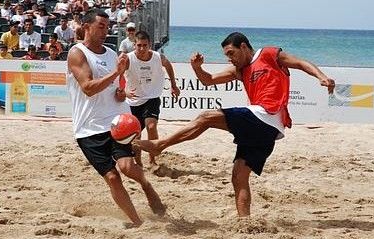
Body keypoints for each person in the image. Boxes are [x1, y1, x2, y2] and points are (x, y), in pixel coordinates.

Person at [136, 32, 336, 217]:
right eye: (226, 55)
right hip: (265, 133)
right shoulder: (239, 70)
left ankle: (160, 145)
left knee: (206, 117)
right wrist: (197, 68)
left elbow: (300, 63)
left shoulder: (268, 54)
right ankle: (245, 223)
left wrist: (321, 77)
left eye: (231, 53)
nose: (229, 58)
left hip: (265, 116)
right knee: (238, 175)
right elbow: (208, 80)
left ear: (244, 47)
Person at [67, 9, 165, 227]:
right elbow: (88, 88)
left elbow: (116, 90)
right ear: (86, 27)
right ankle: (138, 222)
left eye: (107, 26)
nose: (105, 30)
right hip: (88, 128)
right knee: (112, 177)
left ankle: (146, 185)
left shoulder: (112, 55)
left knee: (128, 168)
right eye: (100, 26)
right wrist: (115, 73)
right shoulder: (78, 53)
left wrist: (120, 92)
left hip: (116, 122)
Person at [123, 30, 179, 166]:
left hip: (152, 97)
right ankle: (139, 162)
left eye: (145, 45)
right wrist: (124, 92)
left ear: (150, 45)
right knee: (136, 134)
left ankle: (153, 160)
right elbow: (117, 76)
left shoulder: (157, 57)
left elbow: (168, 65)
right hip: (133, 100)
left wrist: (173, 84)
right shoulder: (127, 59)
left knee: (151, 126)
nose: (142, 48)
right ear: (134, 45)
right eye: (139, 45)